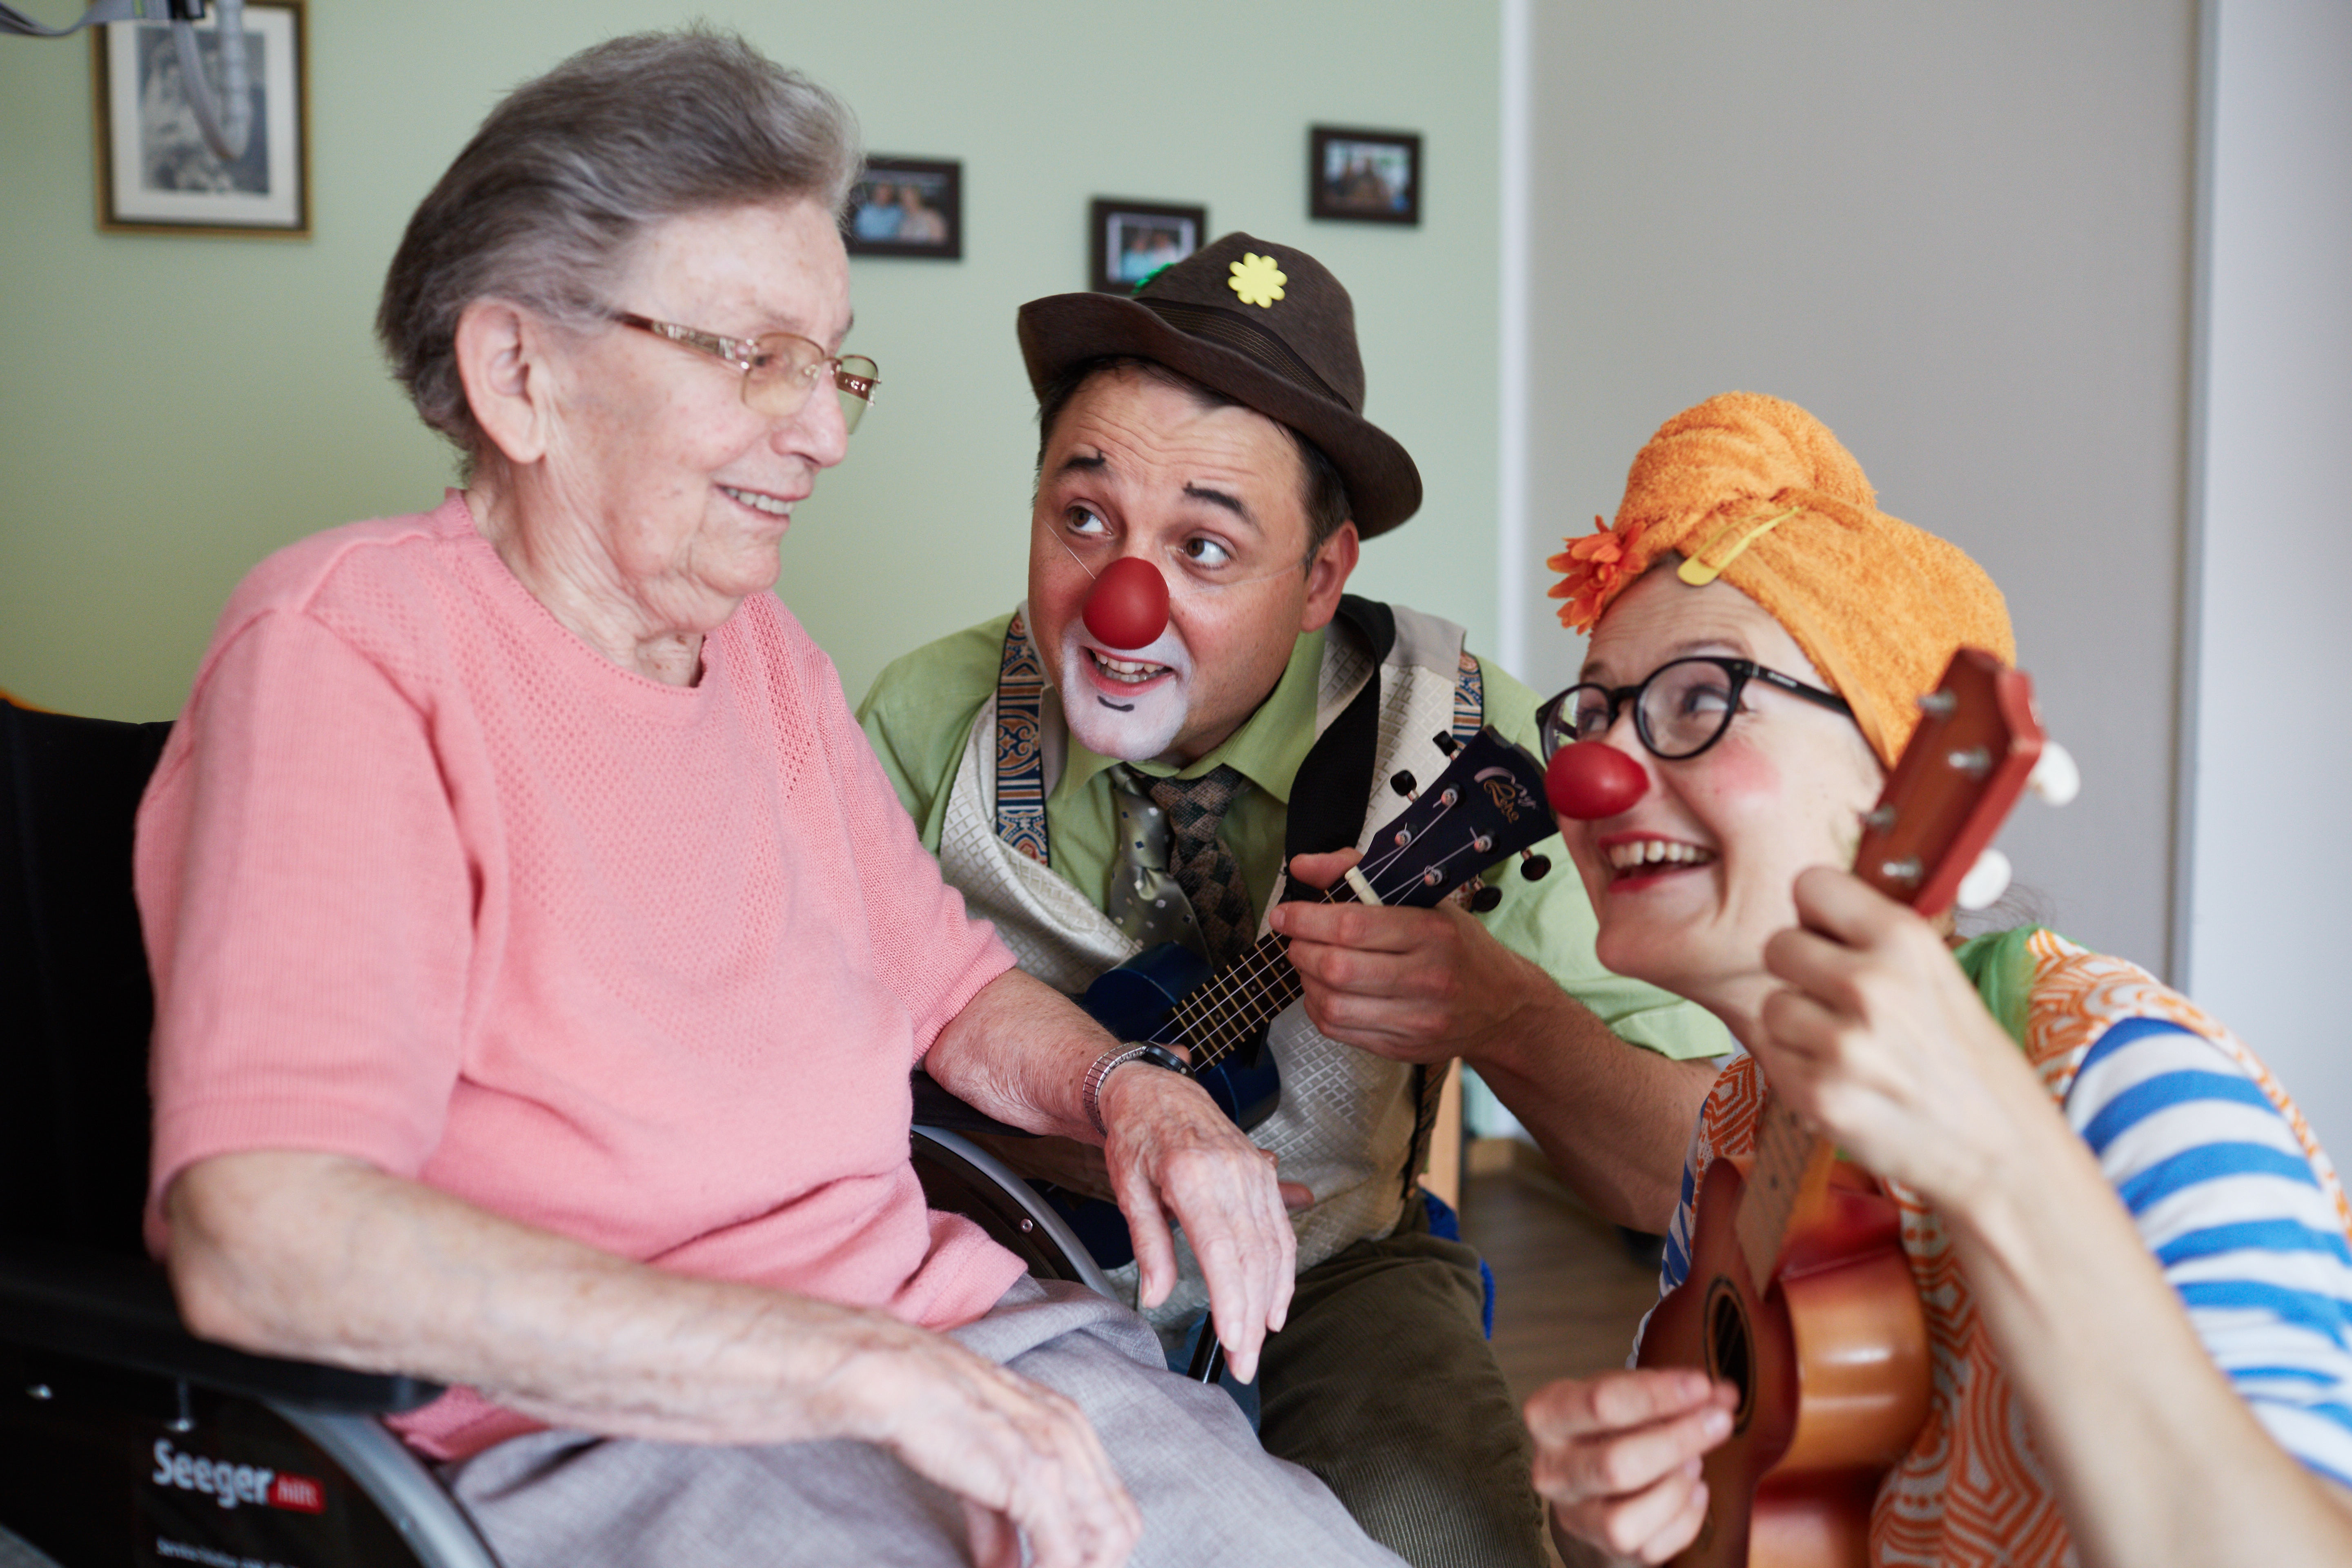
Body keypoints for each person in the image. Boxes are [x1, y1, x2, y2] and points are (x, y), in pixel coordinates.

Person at [134, 32, 1407, 1568]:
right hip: (611, 1438)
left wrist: (1134, 1097)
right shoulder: (346, 653)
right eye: (754, 356)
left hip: (944, 1347)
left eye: (832, 360)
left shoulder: (765, 659)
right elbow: (265, 1234)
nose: (826, 429)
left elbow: (946, 992)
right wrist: (851, 1371)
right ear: (518, 373)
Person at [858, 232, 1731, 1568]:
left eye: (1205, 548)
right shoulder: (927, 721)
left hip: (1340, 1273)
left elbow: (1691, 1170)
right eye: (1082, 518)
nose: (1121, 601)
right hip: (997, 1258)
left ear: (1323, 577)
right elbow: (792, 1068)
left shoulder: (1459, 738)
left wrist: (1502, 1014)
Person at [1522, 392, 2352, 1567]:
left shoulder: (2132, 1080)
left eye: (1701, 699)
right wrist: (1616, 1521)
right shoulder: (1738, 1121)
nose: (1599, 774)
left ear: (1898, 774)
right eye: (1595, 713)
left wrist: (2002, 1170)